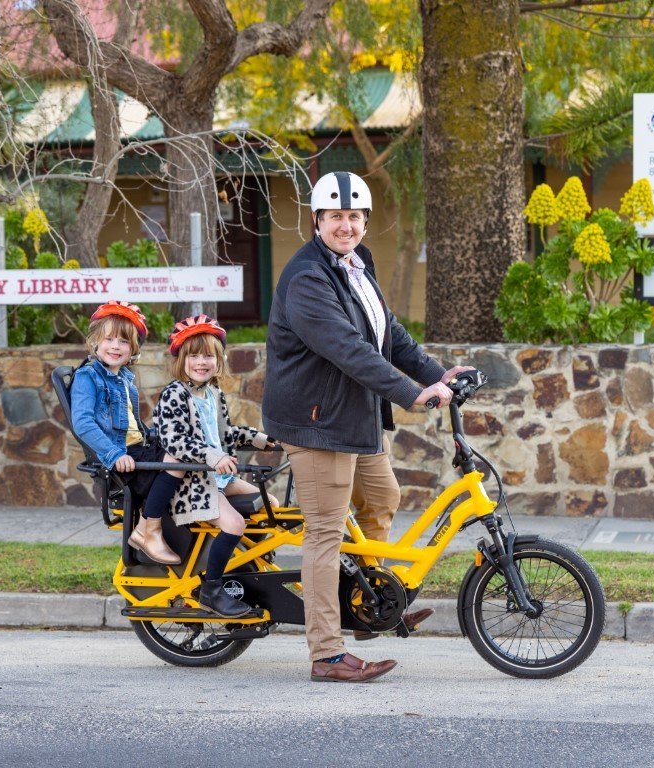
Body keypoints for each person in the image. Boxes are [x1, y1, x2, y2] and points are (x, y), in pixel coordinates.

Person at [263, 171, 472, 683]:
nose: (347, 225)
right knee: (325, 536)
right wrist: (410, 393)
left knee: (382, 499)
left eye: (355, 216)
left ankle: (363, 604)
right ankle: (327, 654)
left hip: (351, 418)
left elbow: (387, 334)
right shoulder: (308, 279)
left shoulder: (356, 265)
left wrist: (435, 373)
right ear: (317, 220)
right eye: (336, 216)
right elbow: (348, 349)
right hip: (317, 424)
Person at [154, 314, 277, 618]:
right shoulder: (174, 394)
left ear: (218, 360)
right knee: (235, 523)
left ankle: (245, 566)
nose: (201, 362)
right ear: (181, 360)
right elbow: (175, 441)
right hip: (192, 482)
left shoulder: (213, 394)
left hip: (217, 477)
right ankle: (211, 589)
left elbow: (224, 435)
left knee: (270, 505)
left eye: (208, 355)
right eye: (193, 355)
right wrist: (213, 457)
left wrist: (263, 440)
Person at [69, 301, 180, 566]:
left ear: (133, 349)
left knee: (186, 450)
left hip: (136, 448)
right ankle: (147, 530)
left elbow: (133, 427)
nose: (116, 346)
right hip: (123, 462)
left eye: (123, 341)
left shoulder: (124, 378)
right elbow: (83, 423)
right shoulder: (88, 377)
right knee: (176, 462)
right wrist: (113, 453)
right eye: (108, 339)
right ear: (95, 341)